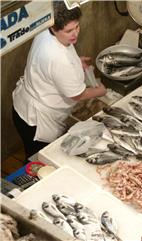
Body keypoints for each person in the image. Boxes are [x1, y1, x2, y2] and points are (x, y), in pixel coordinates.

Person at [12, 1, 107, 159]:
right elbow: (77, 95)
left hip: (23, 105)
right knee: (38, 161)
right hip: (36, 121)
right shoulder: (57, 59)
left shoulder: (44, 32)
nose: (75, 33)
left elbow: (54, 67)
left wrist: (76, 62)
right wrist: (101, 91)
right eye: (68, 30)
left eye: (77, 26)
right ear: (53, 28)